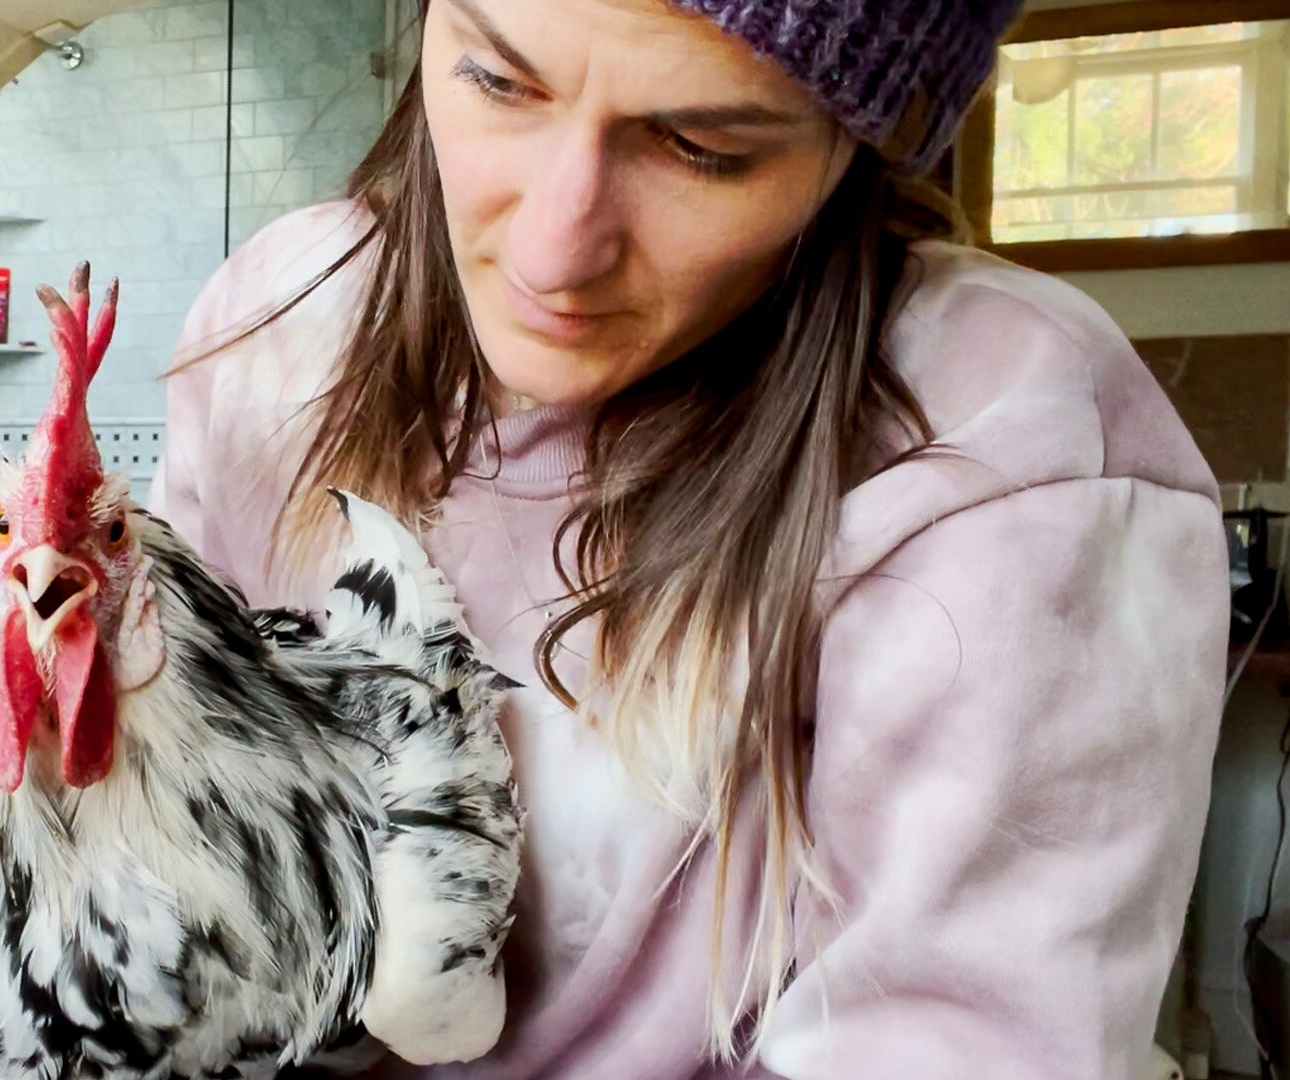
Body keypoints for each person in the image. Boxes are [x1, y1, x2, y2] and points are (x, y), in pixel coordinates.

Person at [148, 0, 1229, 1076]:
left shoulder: (1003, 446)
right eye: (497, 80)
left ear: (862, 147)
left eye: (701, 149)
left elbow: (955, 1040)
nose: (552, 251)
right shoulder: (282, 323)